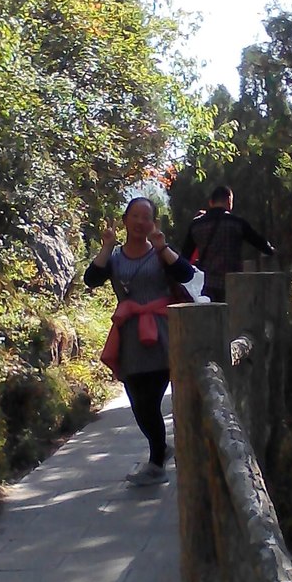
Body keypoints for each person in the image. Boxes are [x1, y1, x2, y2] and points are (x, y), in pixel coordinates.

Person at [84, 196, 196, 486]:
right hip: (130, 336)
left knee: (152, 399)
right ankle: (160, 449)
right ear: (125, 220)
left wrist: (163, 248)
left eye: (146, 217)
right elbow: (91, 279)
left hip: (162, 333)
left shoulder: (159, 252)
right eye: (134, 216)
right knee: (138, 402)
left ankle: (156, 462)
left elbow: (186, 274)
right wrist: (106, 246)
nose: (140, 222)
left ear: (153, 223)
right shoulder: (115, 257)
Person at [181, 185, 275, 303]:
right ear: (229, 201)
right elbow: (259, 242)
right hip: (232, 285)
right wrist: (270, 250)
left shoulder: (196, 225)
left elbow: (185, 256)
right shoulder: (237, 223)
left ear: (211, 202)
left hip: (205, 285)